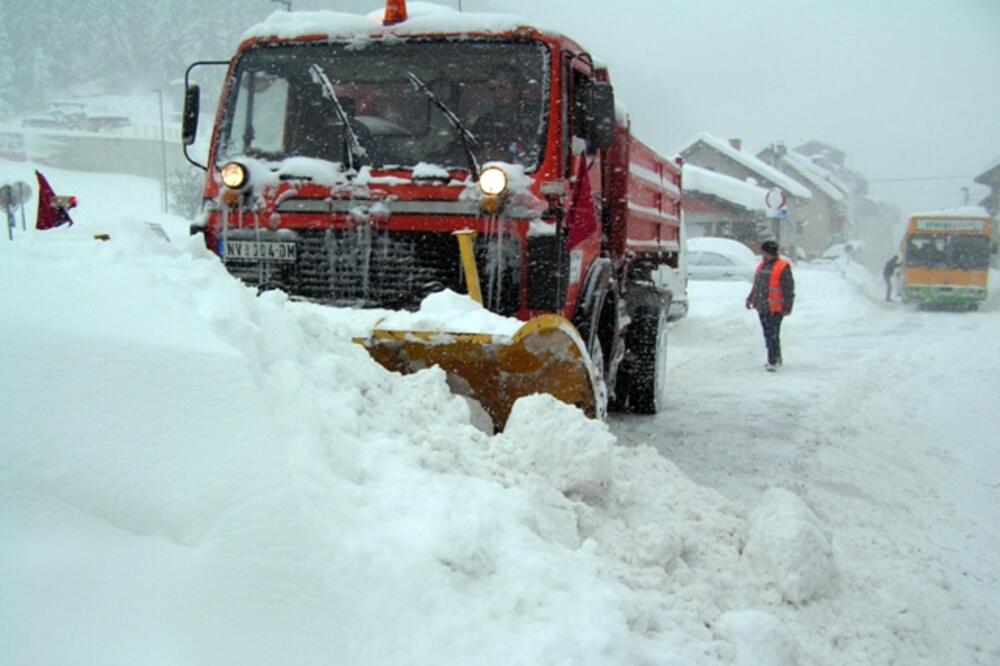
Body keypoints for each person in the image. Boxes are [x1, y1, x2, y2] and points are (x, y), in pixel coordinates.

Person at [745, 240, 795, 372]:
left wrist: (787, 306)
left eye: (765, 253)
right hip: (762, 306)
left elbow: (788, 289)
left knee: (773, 334)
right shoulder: (762, 265)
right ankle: (776, 357)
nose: (763, 256)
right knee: (768, 334)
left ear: (772, 253)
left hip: (776, 308)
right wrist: (750, 298)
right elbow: (757, 285)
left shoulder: (782, 266)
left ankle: (773, 361)